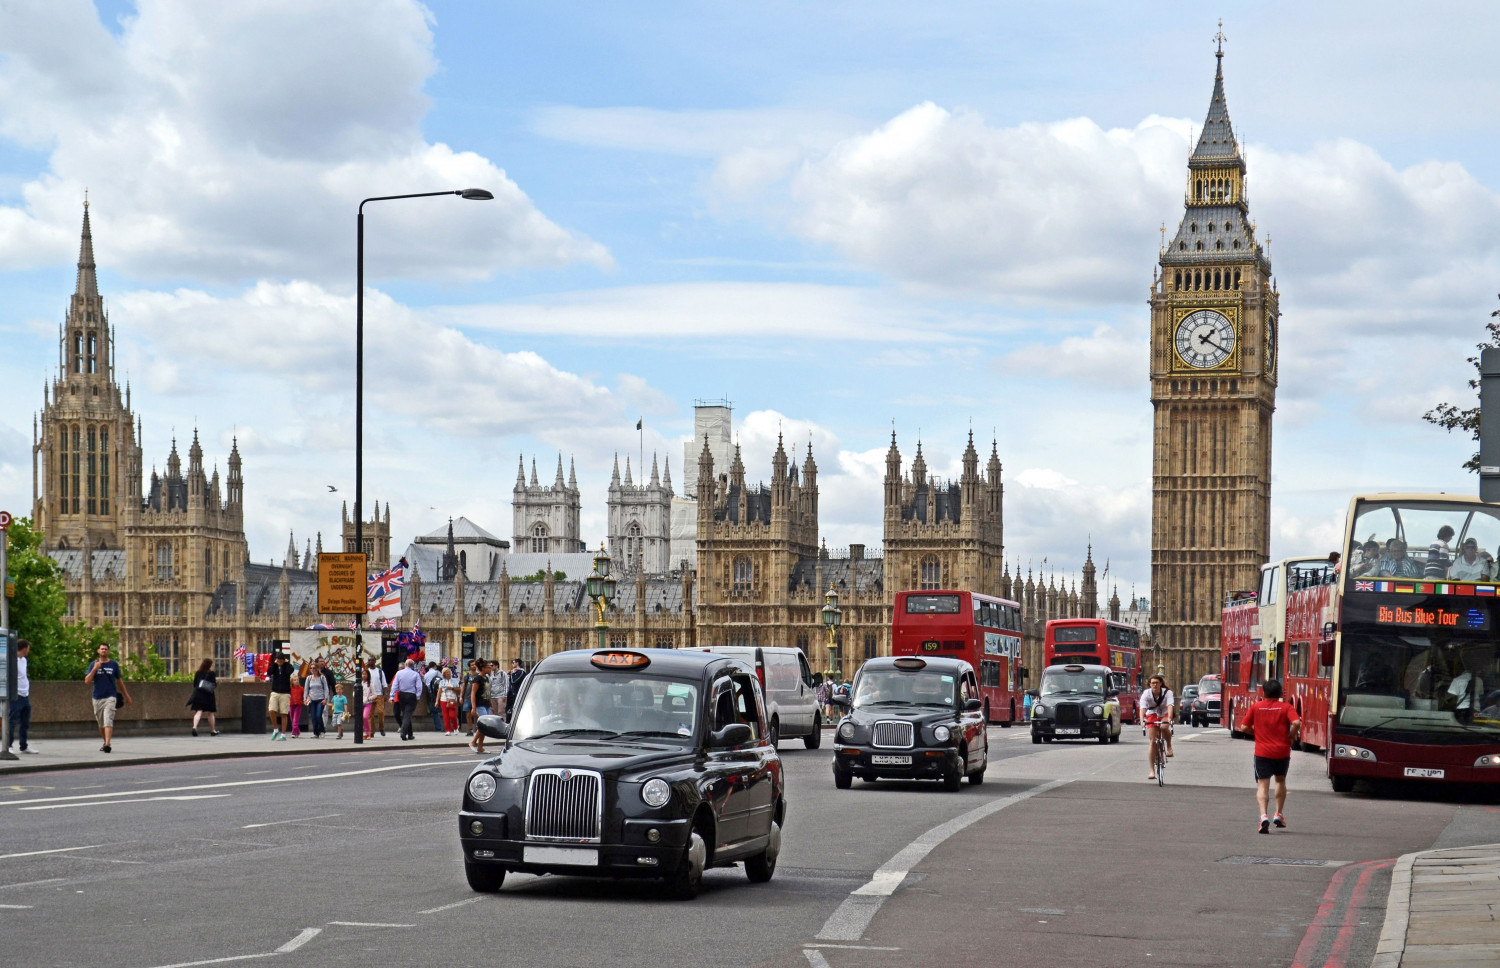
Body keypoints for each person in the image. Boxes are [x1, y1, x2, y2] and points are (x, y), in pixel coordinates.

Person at [1236, 678, 1302, 834]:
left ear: (1263, 693)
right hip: (1282, 751)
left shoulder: (1256, 707)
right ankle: (1278, 813)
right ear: (1280, 693)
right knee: (1280, 780)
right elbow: (1297, 723)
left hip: (1262, 752)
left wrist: (1256, 734)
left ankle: (1263, 816)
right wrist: (1291, 736)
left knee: (1262, 785)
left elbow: (1244, 726)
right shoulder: (1286, 707)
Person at [84, 643, 130, 753]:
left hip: (111, 697)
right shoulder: (93, 664)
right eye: (102, 649)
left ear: (108, 651)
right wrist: (95, 669)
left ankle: (108, 744)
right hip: (97, 697)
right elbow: (87, 681)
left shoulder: (114, 664)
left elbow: (119, 681)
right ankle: (105, 742)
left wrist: (127, 695)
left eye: (105, 649)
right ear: (98, 651)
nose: (104, 651)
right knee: (101, 723)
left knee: (108, 720)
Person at [1140, 674, 1174, 779]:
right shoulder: (1146, 694)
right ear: (1149, 684)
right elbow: (1142, 708)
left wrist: (1169, 718)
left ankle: (1168, 746)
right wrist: (1142, 721)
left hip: (1164, 714)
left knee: (1164, 727)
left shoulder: (1168, 693)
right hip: (1152, 714)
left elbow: (1170, 706)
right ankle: (1152, 771)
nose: (1155, 685)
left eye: (1157, 683)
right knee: (1152, 741)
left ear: (1161, 684)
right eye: (1152, 683)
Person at [9, 638, 34, 754]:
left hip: (25, 695)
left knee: (25, 722)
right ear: (24, 648)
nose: (29, 650)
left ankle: (23, 746)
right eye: (28, 648)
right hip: (16, 695)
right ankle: (8, 745)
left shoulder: (24, 660)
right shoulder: (12, 660)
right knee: (12, 721)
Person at [389, 659, 424, 741]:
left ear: (405, 664)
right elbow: (419, 686)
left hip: (402, 695)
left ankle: (410, 734)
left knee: (406, 714)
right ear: (412, 665)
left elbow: (395, 685)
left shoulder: (399, 673)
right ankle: (403, 733)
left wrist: (392, 696)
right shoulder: (415, 674)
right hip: (412, 695)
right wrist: (418, 696)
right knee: (407, 715)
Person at [187, 658, 220, 737]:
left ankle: (194, 727)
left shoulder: (198, 673)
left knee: (198, 712)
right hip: (208, 695)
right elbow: (214, 684)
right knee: (210, 713)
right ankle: (212, 730)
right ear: (210, 665)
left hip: (199, 694)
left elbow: (195, 684)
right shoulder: (211, 673)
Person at [267, 653, 294, 740]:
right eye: (278, 661)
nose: (279, 663)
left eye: (281, 661)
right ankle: (275, 729)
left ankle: (283, 734)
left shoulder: (287, 666)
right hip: (275, 691)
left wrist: (286, 663)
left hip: (285, 693)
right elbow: (269, 672)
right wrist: (275, 664)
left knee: (283, 713)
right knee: (271, 710)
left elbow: (290, 670)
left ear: (283, 660)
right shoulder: (275, 666)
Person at [302, 657, 328, 739]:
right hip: (312, 700)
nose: (312, 669)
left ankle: (322, 731)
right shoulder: (309, 678)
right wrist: (305, 699)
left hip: (320, 699)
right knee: (313, 717)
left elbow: (326, 688)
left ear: (317, 668)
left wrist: (325, 699)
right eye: (311, 668)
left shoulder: (322, 677)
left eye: (314, 668)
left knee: (318, 715)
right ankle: (316, 733)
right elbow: (306, 689)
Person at [366, 658, 388, 738]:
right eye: (369, 660)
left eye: (372, 660)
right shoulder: (366, 672)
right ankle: (372, 731)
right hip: (370, 695)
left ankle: (381, 728)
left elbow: (384, 684)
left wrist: (385, 694)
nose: (370, 662)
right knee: (370, 714)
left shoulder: (380, 671)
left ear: (375, 662)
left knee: (380, 712)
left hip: (379, 694)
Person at [436, 666, 462, 735]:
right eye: (446, 672)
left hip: (452, 699)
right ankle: (448, 730)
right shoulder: (441, 682)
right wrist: (437, 701)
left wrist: (452, 688)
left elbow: (459, 690)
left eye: (449, 672)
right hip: (443, 699)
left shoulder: (454, 681)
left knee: (452, 715)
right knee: (445, 716)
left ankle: (456, 728)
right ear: (443, 674)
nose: (448, 673)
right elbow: (439, 691)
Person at [423, 662, 443, 733]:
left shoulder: (426, 674)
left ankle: (438, 726)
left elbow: (425, 683)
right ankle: (441, 726)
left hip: (430, 693)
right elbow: (442, 681)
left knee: (434, 710)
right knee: (440, 709)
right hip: (438, 692)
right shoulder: (437, 673)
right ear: (435, 666)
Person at [287, 666, 305, 738]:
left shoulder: (301, 688)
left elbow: (304, 695)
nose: (296, 681)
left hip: (298, 705)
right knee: (292, 719)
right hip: (291, 704)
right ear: (292, 681)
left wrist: (304, 700)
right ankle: (297, 731)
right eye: (294, 680)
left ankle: (294, 732)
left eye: (297, 680)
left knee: (295, 719)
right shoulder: (290, 689)